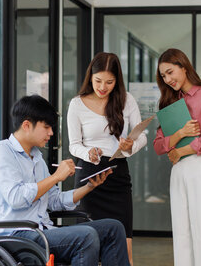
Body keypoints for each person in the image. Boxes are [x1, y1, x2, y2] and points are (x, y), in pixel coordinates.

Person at [0, 95, 130, 266]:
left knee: (113, 228)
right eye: (46, 127)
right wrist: (55, 177)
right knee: (86, 237)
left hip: (42, 231)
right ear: (26, 125)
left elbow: (54, 201)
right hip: (16, 236)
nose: (51, 133)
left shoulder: (37, 158)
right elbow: (15, 198)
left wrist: (89, 187)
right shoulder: (1, 152)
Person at [67, 52, 147, 265]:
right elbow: (74, 145)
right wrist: (88, 152)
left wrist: (131, 146)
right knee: (89, 247)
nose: (103, 87)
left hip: (118, 175)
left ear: (117, 81)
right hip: (90, 178)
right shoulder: (77, 104)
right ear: (90, 77)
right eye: (98, 81)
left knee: (124, 249)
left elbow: (143, 136)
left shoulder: (126, 100)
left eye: (109, 82)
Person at [152, 48, 201, 266]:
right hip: (179, 171)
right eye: (163, 76)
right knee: (182, 234)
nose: (167, 79)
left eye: (170, 72)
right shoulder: (169, 104)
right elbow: (158, 146)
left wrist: (179, 150)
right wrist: (180, 134)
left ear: (184, 67)